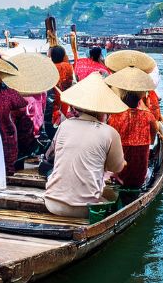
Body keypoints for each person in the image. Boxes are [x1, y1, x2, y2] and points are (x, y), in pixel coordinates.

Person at [44, 73, 127, 218]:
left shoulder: (65, 125)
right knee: (113, 193)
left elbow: (55, 154)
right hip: (83, 210)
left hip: (51, 203)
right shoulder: (109, 132)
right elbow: (116, 168)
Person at [108, 92, 158, 188]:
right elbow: (154, 132)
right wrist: (149, 141)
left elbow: (110, 135)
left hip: (121, 153)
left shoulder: (115, 115)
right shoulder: (148, 115)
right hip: (140, 155)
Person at [50, 45, 74, 125]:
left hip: (53, 98)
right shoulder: (68, 67)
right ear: (63, 56)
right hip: (65, 98)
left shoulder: (50, 67)